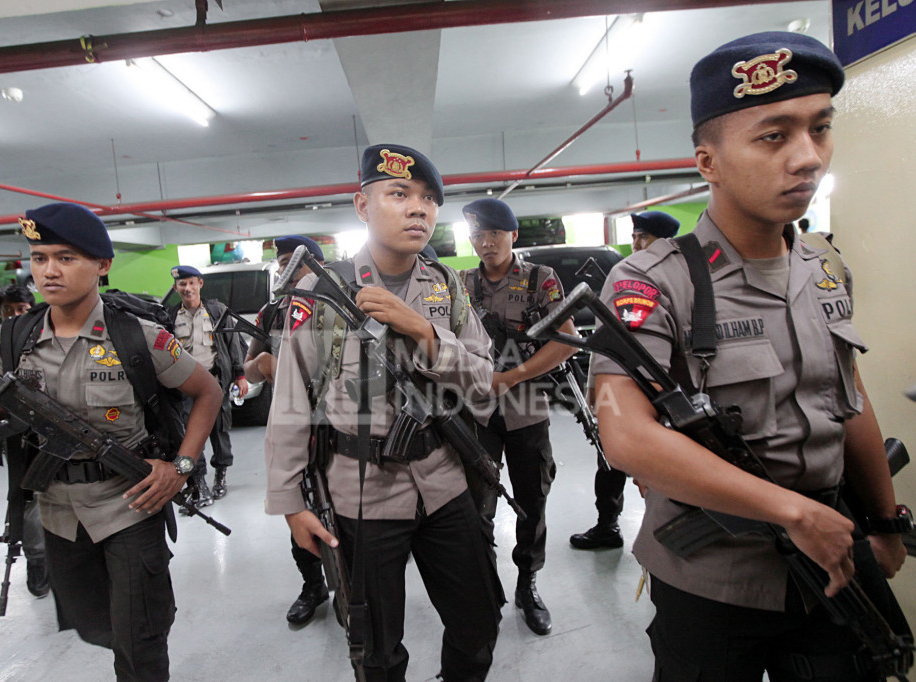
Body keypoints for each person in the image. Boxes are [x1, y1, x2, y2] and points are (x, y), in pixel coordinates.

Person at [592, 32, 908, 680]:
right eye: (774, 136)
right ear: (708, 160)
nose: (806, 158)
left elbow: (848, 395)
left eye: (819, 129)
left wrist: (883, 518)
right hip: (712, 575)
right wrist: (792, 512)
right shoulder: (650, 281)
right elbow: (624, 436)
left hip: (832, 561)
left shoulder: (825, 266)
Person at [0, 202, 223, 681]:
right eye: (39, 258)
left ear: (102, 265)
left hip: (129, 504)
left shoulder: (138, 336)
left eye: (66, 257)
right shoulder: (13, 338)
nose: (49, 271)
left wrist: (180, 467)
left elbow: (208, 391)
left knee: (141, 640)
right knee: (95, 626)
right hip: (57, 511)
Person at [265, 144, 503, 681]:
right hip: (360, 493)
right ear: (362, 205)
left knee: (478, 623)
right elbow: (289, 402)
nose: (418, 209)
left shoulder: (444, 287)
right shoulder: (320, 292)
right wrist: (289, 504)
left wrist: (422, 330)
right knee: (376, 651)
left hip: (445, 482)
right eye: (399, 194)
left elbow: (485, 378)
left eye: (428, 199)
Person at [461, 197, 577, 636]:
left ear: (512, 235)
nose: (485, 243)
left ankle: (527, 584)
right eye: (477, 235)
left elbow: (567, 340)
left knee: (532, 501)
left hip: (526, 409)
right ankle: (485, 588)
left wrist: (513, 376)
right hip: (476, 413)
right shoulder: (460, 283)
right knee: (477, 506)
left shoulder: (539, 280)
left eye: (493, 234)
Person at [569, 212, 678, 552]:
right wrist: (594, 389)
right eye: (635, 238)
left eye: (642, 238)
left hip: (660, 389)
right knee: (610, 461)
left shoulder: (673, 277)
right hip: (625, 385)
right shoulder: (628, 273)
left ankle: (666, 527)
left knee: (662, 464)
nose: (635, 245)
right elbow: (605, 339)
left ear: (665, 241)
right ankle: (608, 525)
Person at [244, 234, 331, 625]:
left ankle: (353, 585)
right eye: (279, 263)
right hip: (292, 422)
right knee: (295, 502)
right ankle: (313, 585)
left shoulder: (336, 304)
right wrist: (262, 363)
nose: (282, 269)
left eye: (290, 261)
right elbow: (247, 368)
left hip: (336, 421)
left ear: (315, 265)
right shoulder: (272, 312)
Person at [168, 265, 248, 506]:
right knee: (191, 435)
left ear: (200, 284)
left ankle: (220, 476)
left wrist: (239, 375)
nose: (187, 288)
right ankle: (199, 481)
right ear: (176, 288)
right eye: (182, 284)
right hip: (185, 386)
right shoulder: (170, 316)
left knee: (219, 430)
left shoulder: (216, 311)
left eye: (191, 282)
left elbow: (233, 344)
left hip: (215, 382)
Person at [0, 283, 51, 598]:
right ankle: (38, 560)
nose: (14, 316)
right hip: (21, 434)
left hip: (57, 427)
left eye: (21, 310)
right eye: (8, 312)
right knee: (28, 498)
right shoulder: (0, 341)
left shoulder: (47, 332)